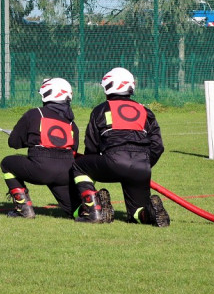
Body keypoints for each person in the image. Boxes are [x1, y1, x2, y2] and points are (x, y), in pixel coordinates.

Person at [71, 67, 168, 226]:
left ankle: (93, 208)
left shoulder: (100, 110)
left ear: (108, 86)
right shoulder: (146, 111)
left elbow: (91, 145)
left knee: (78, 166)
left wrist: (94, 162)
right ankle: (148, 213)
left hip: (113, 162)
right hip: (142, 166)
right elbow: (158, 146)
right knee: (136, 213)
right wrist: (144, 164)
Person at [0, 78, 83, 219]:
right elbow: (72, 149)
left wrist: (21, 136)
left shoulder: (35, 113)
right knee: (73, 211)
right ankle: (92, 206)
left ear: (47, 94)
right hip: (65, 173)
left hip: (40, 169)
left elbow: (13, 143)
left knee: (7, 163)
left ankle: (23, 209)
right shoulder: (71, 123)